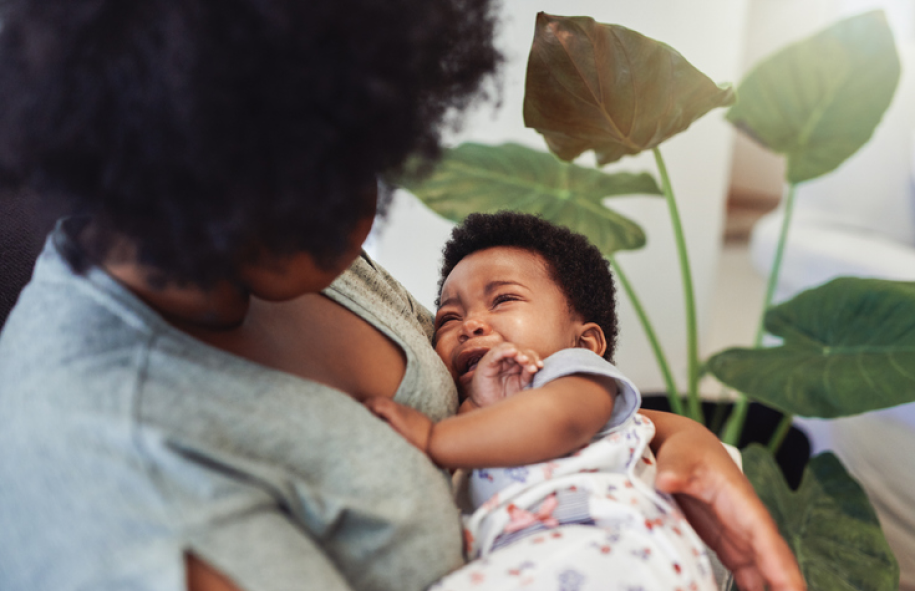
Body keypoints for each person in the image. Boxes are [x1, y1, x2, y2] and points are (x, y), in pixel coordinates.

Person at [0, 2, 804, 591]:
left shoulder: (266, 252)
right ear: (187, 166)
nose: (365, 203)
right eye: (317, 176)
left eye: (364, 152)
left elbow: (499, 398)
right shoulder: (118, 487)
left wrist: (673, 440)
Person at [365, 212, 718, 590]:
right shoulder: (462, 417)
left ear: (584, 342)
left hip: (609, 547)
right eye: (449, 318)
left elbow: (558, 420)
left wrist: (434, 440)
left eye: (502, 299)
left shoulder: (572, 373)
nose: (470, 325)